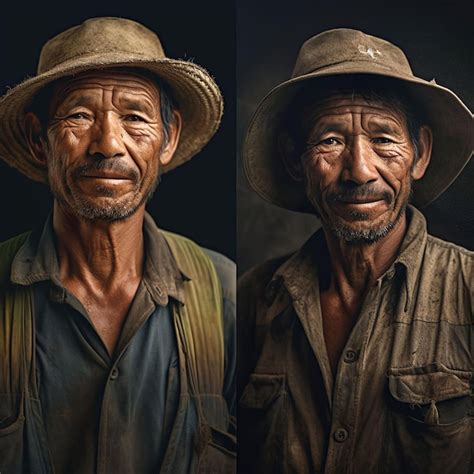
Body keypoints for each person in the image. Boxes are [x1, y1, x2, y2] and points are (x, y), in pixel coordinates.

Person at [0, 17, 235, 474]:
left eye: (134, 117)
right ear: (37, 140)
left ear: (167, 138)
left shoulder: (226, 294)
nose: (108, 144)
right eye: (80, 115)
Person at [238, 28, 473, 474]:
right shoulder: (254, 300)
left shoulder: (469, 288)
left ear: (419, 154)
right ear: (295, 160)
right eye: (330, 140)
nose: (359, 171)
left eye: (384, 140)